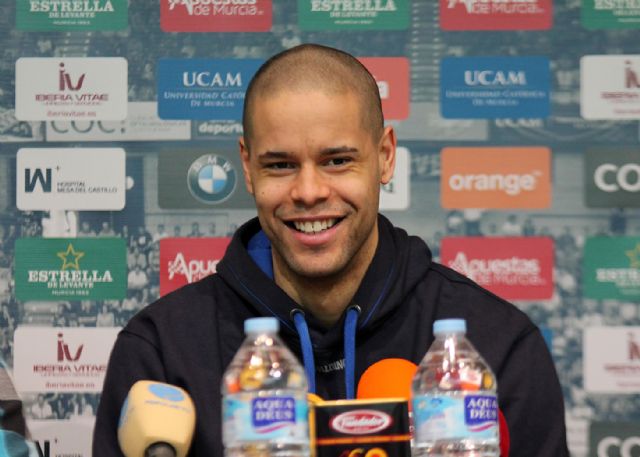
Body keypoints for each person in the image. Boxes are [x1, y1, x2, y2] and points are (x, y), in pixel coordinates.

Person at [94, 44, 568, 456]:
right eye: (280, 165)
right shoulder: (163, 352)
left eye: (337, 161)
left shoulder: (496, 346)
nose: (308, 192)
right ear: (247, 167)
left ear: (385, 157)